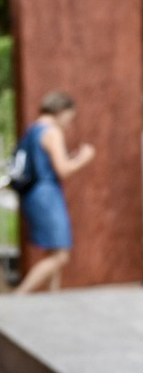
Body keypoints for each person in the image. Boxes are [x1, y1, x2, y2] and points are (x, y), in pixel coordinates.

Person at [13, 91, 95, 294]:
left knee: (53, 250)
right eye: (70, 117)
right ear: (62, 111)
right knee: (60, 256)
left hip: (32, 193)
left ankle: (53, 297)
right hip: (47, 194)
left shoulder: (32, 130)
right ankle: (18, 296)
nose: (69, 123)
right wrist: (83, 158)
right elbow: (63, 169)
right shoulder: (52, 131)